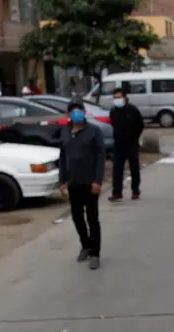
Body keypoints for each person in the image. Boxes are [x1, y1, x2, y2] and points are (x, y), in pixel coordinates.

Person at [57, 99, 106, 270]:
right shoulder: (65, 132)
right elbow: (62, 157)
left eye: (79, 110)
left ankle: (95, 254)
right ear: (68, 114)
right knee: (77, 217)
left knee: (92, 219)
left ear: (84, 113)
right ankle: (85, 245)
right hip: (73, 182)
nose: (76, 114)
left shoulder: (94, 131)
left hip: (90, 182)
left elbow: (101, 157)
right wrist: (62, 180)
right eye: (73, 111)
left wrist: (98, 180)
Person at [108, 86, 144, 202]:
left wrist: (134, 137)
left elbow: (140, 125)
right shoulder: (113, 111)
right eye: (115, 98)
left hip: (131, 143)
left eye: (119, 97)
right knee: (117, 169)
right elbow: (113, 125)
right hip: (118, 144)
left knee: (134, 168)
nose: (117, 99)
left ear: (124, 97)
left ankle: (135, 190)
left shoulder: (132, 110)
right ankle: (117, 193)